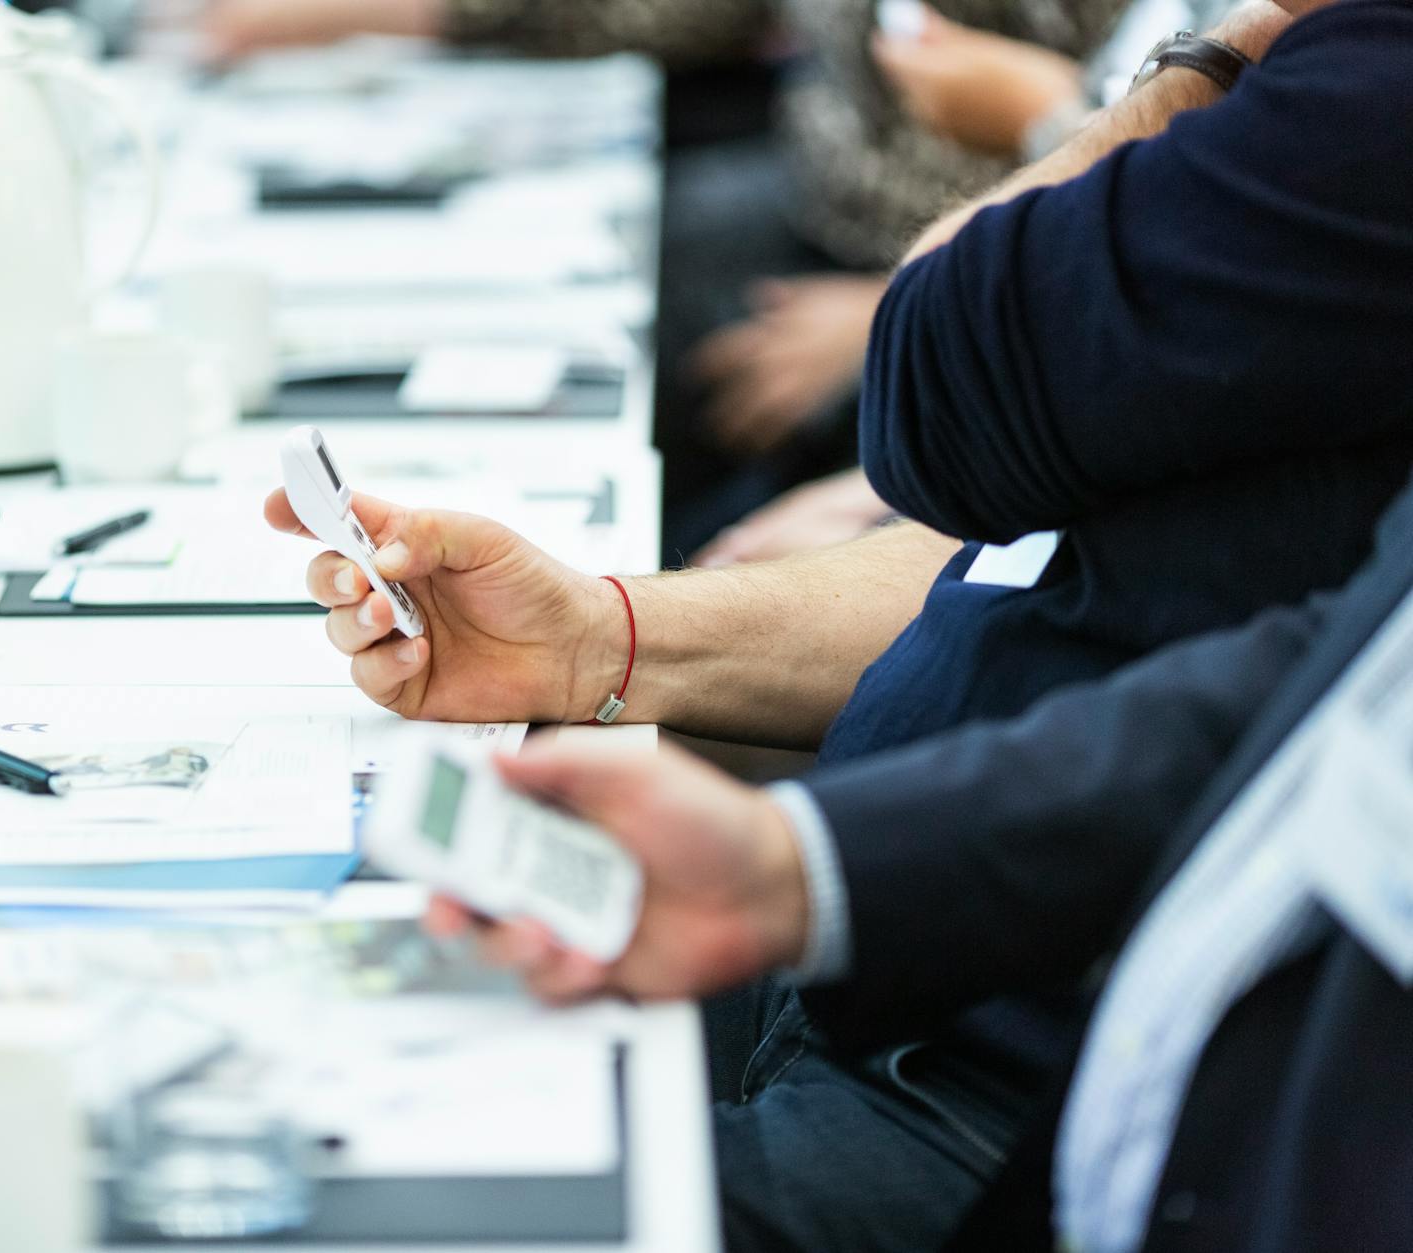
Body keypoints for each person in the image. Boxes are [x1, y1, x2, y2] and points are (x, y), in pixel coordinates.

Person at [265, 0, 1413, 1245]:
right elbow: (1173, 595)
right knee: (280, 1057)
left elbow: (941, 376)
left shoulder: (1366, 77)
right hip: (884, 938)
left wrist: (1204, 65)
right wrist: (603, 639)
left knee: (305, 1202)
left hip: (1003, 1077)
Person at [437, 466, 1413, 1253]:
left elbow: (961, 345)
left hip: (1035, 1100)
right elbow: (1294, 701)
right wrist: (801, 863)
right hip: (910, 955)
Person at [199, 0, 1126, 554]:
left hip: (966, 262)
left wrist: (913, 299)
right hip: (825, 205)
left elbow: (1159, 173)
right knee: (549, 312)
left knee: (617, 413)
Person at [694, 0, 1247, 568]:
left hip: (1000, 308)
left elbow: (1176, 254)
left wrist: (1044, 114)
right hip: (902, 254)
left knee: (726, 555)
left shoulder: (1283, 40)